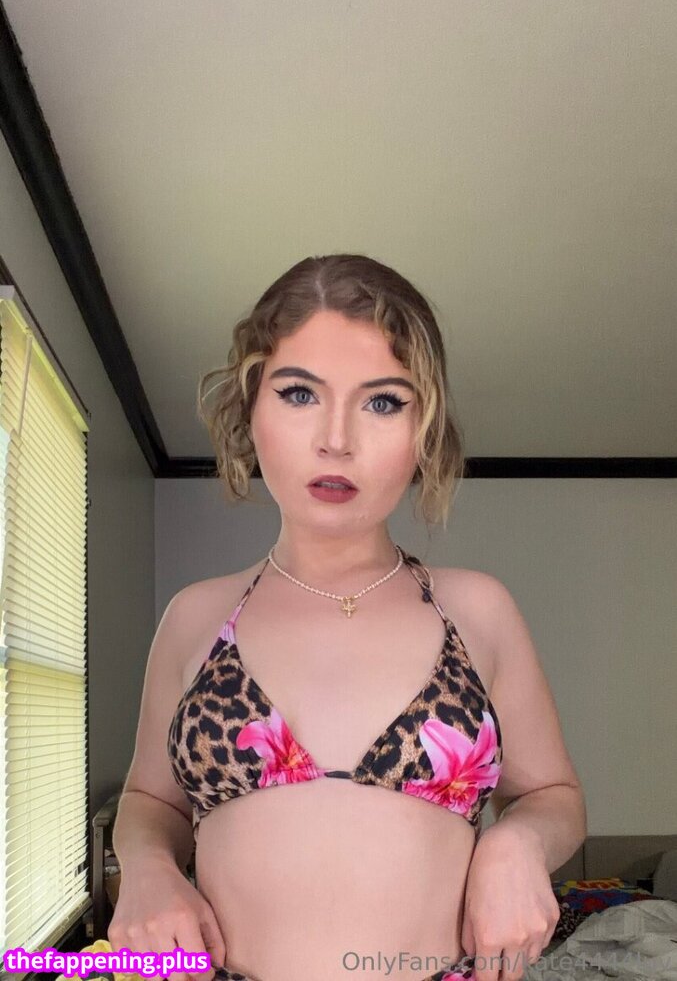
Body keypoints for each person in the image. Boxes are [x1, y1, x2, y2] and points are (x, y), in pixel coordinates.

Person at [110, 254, 586, 981]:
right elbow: (151, 800)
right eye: (299, 393)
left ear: (424, 428)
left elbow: (553, 797)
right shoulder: (196, 617)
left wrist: (516, 843)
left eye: (383, 402)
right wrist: (146, 866)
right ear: (250, 410)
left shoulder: (476, 611)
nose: (336, 438)